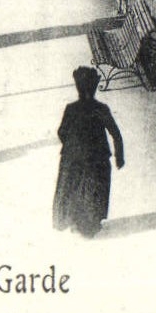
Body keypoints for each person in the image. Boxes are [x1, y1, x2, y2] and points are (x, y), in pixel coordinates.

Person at [53, 66, 125, 237]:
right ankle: (92, 223)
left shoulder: (71, 109)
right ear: (94, 87)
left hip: (73, 156)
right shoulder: (101, 108)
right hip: (97, 157)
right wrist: (119, 156)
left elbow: (61, 132)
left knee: (73, 188)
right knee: (95, 189)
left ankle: (74, 221)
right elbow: (115, 133)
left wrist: (72, 145)